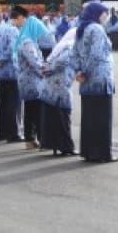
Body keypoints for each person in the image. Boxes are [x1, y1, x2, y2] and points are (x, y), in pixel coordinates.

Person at [72, 1, 118, 163]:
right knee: (102, 118)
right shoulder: (97, 29)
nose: (106, 16)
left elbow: (74, 54)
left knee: (89, 118)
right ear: (97, 13)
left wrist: (78, 71)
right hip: (99, 79)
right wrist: (85, 72)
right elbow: (97, 54)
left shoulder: (81, 28)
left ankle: (88, 151)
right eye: (104, 13)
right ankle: (102, 153)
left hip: (86, 82)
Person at [40, 28, 78, 156]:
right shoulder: (72, 46)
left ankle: (53, 145)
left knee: (53, 114)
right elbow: (63, 61)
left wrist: (48, 69)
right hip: (60, 84)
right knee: (63, 114)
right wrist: (50, 69)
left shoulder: (62, 45)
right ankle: (66, 147)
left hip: (51, 84)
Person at [15, 11, 47, 150]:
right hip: (32, 81)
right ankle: (40, 139)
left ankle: (30, 140)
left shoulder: (25, 40)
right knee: (37, 111)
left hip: (27, 80)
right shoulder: (28, 42)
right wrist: (46, 70)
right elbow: (35, 62)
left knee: (30, 110)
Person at [0, 7, 22, 143]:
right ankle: (13, 133)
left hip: (2, 71)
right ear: (18, 18)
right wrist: (2, 59)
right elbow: (12, 50)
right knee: (13, 103)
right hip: (13, 70)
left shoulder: (0, 28)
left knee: (3, 103)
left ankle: (1, 132)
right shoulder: (14, 30)